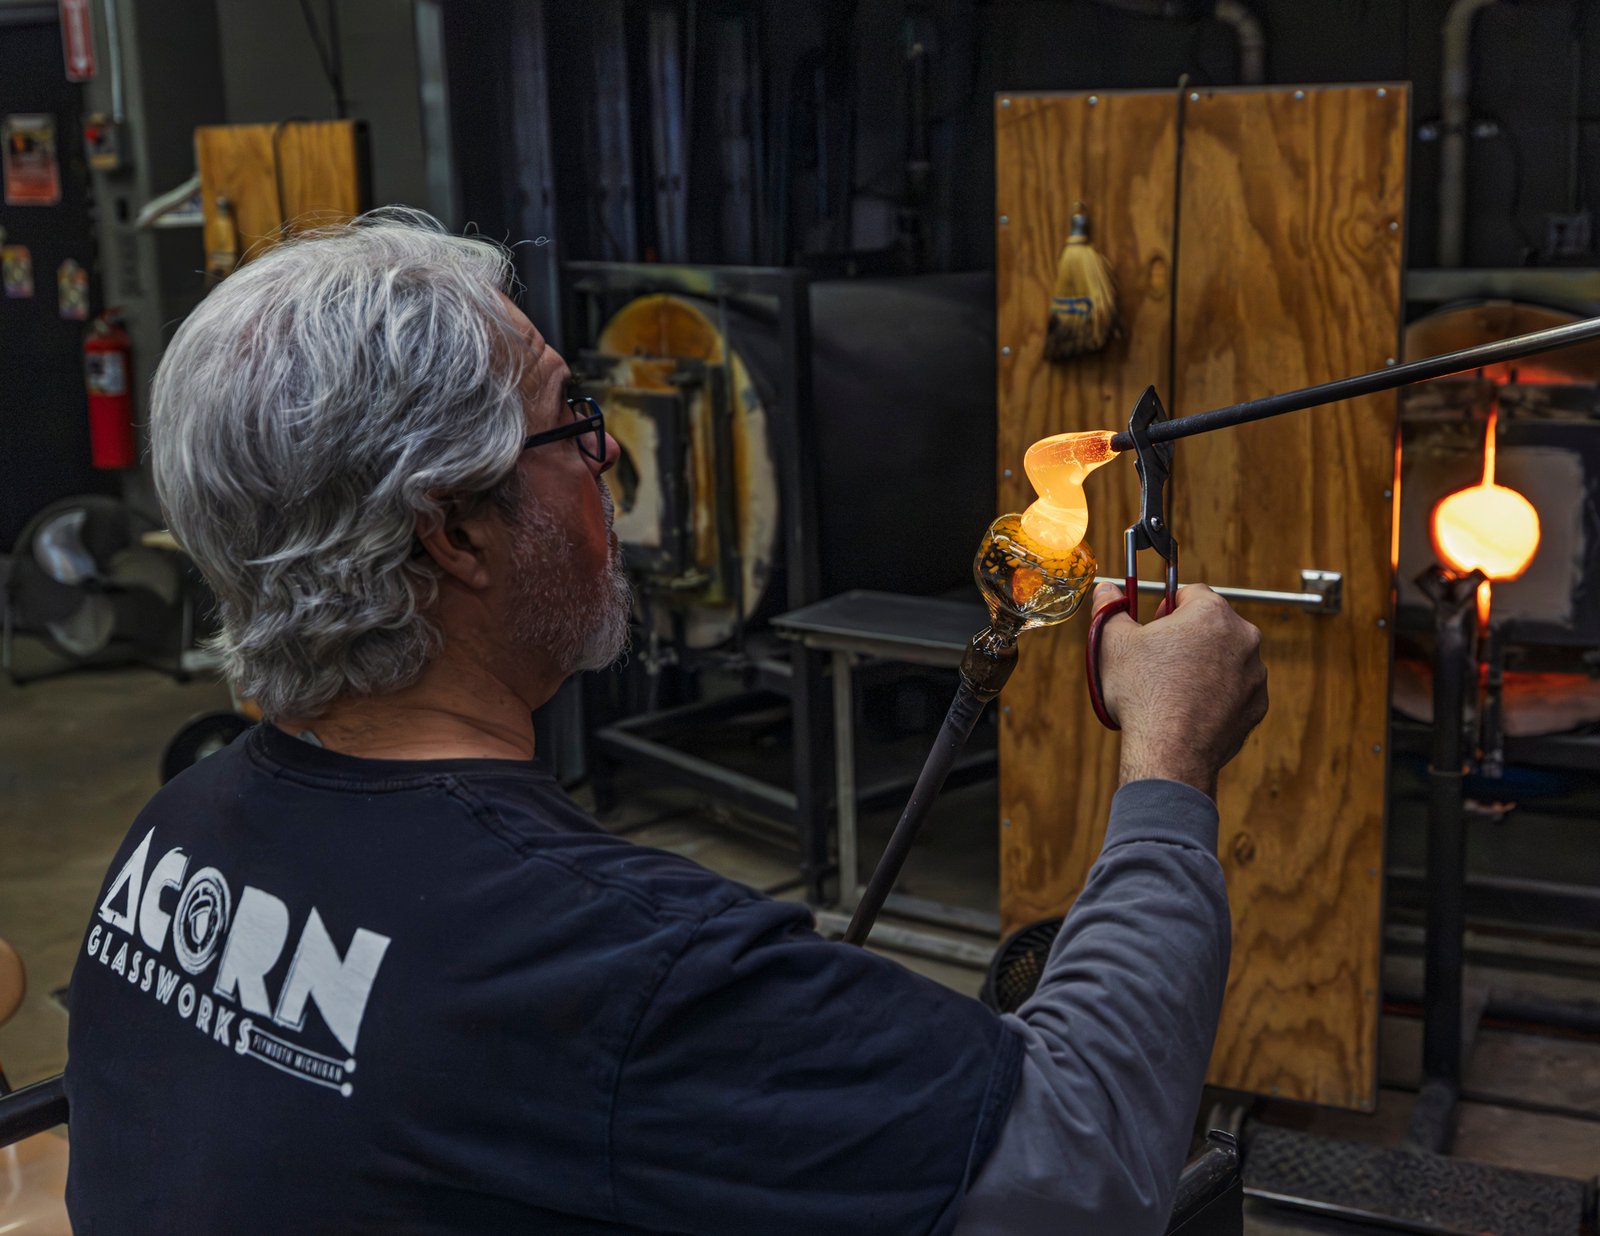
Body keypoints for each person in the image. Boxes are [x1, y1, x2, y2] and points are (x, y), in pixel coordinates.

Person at [65, 210, 1267, 1235]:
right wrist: (1169, 756)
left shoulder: (175, 836)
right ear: (455, 532)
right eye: (569, 416)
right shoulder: (614, 963)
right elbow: (1084, 1162)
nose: (605, 452)